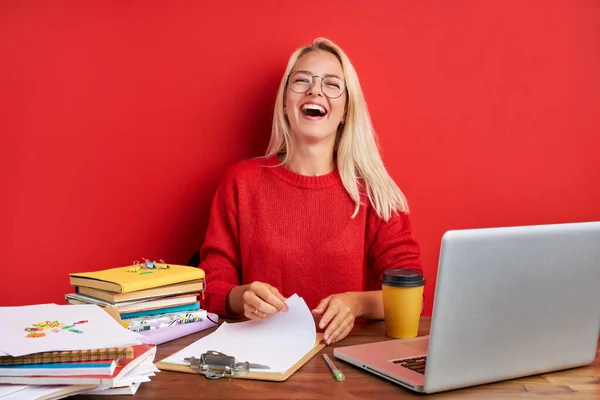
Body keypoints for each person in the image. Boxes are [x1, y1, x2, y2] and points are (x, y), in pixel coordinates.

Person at [199, 37, 423, 345]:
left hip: (345, 363)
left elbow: (411, 293)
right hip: (259, 359)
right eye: (301, 80)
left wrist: (355, 303)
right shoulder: (241, 182)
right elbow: (210, 287)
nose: (314, 90)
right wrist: (242, 297)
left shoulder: (373, 191)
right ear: (285, 102)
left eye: (331, 84)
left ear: (346, 111)